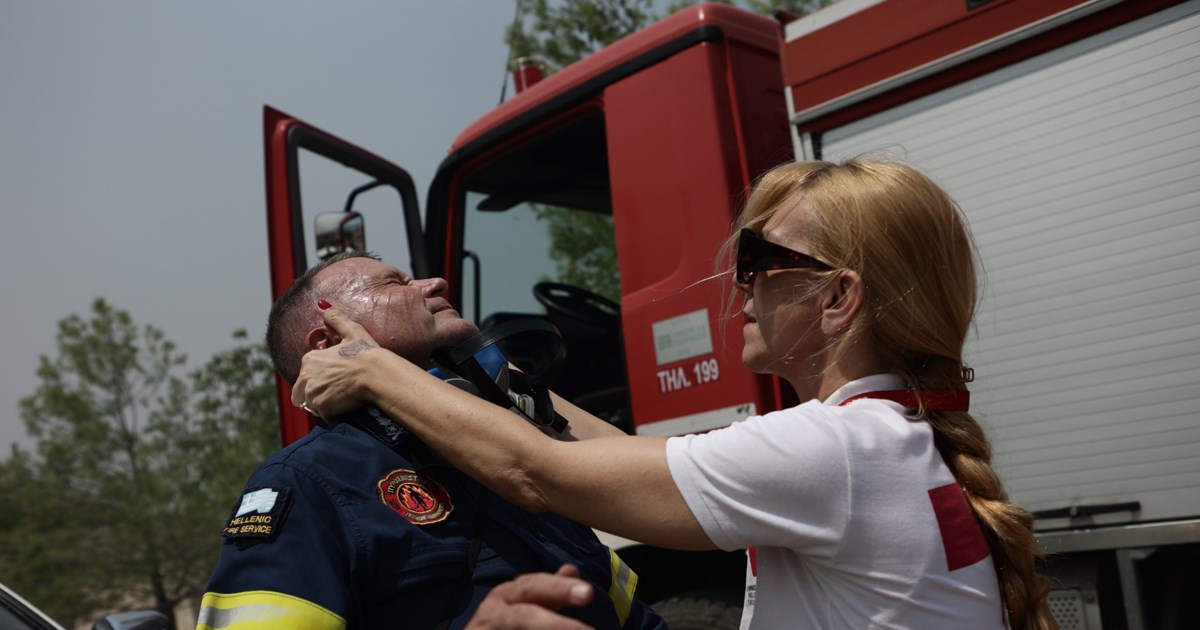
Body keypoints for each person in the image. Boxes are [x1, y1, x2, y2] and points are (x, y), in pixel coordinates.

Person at [293, 157, 1059, 629]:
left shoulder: (836, 450)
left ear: (837, 299)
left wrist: (371, 369)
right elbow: (629, 459)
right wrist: (492, 373)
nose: (741, 284)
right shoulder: (881, 435)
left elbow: (537, 473)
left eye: (759, 257)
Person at [197, 252, 665, 630]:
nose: (436, 282)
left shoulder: (505, 450)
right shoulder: (305, 483)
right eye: (395, 283)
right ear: (329, 342)